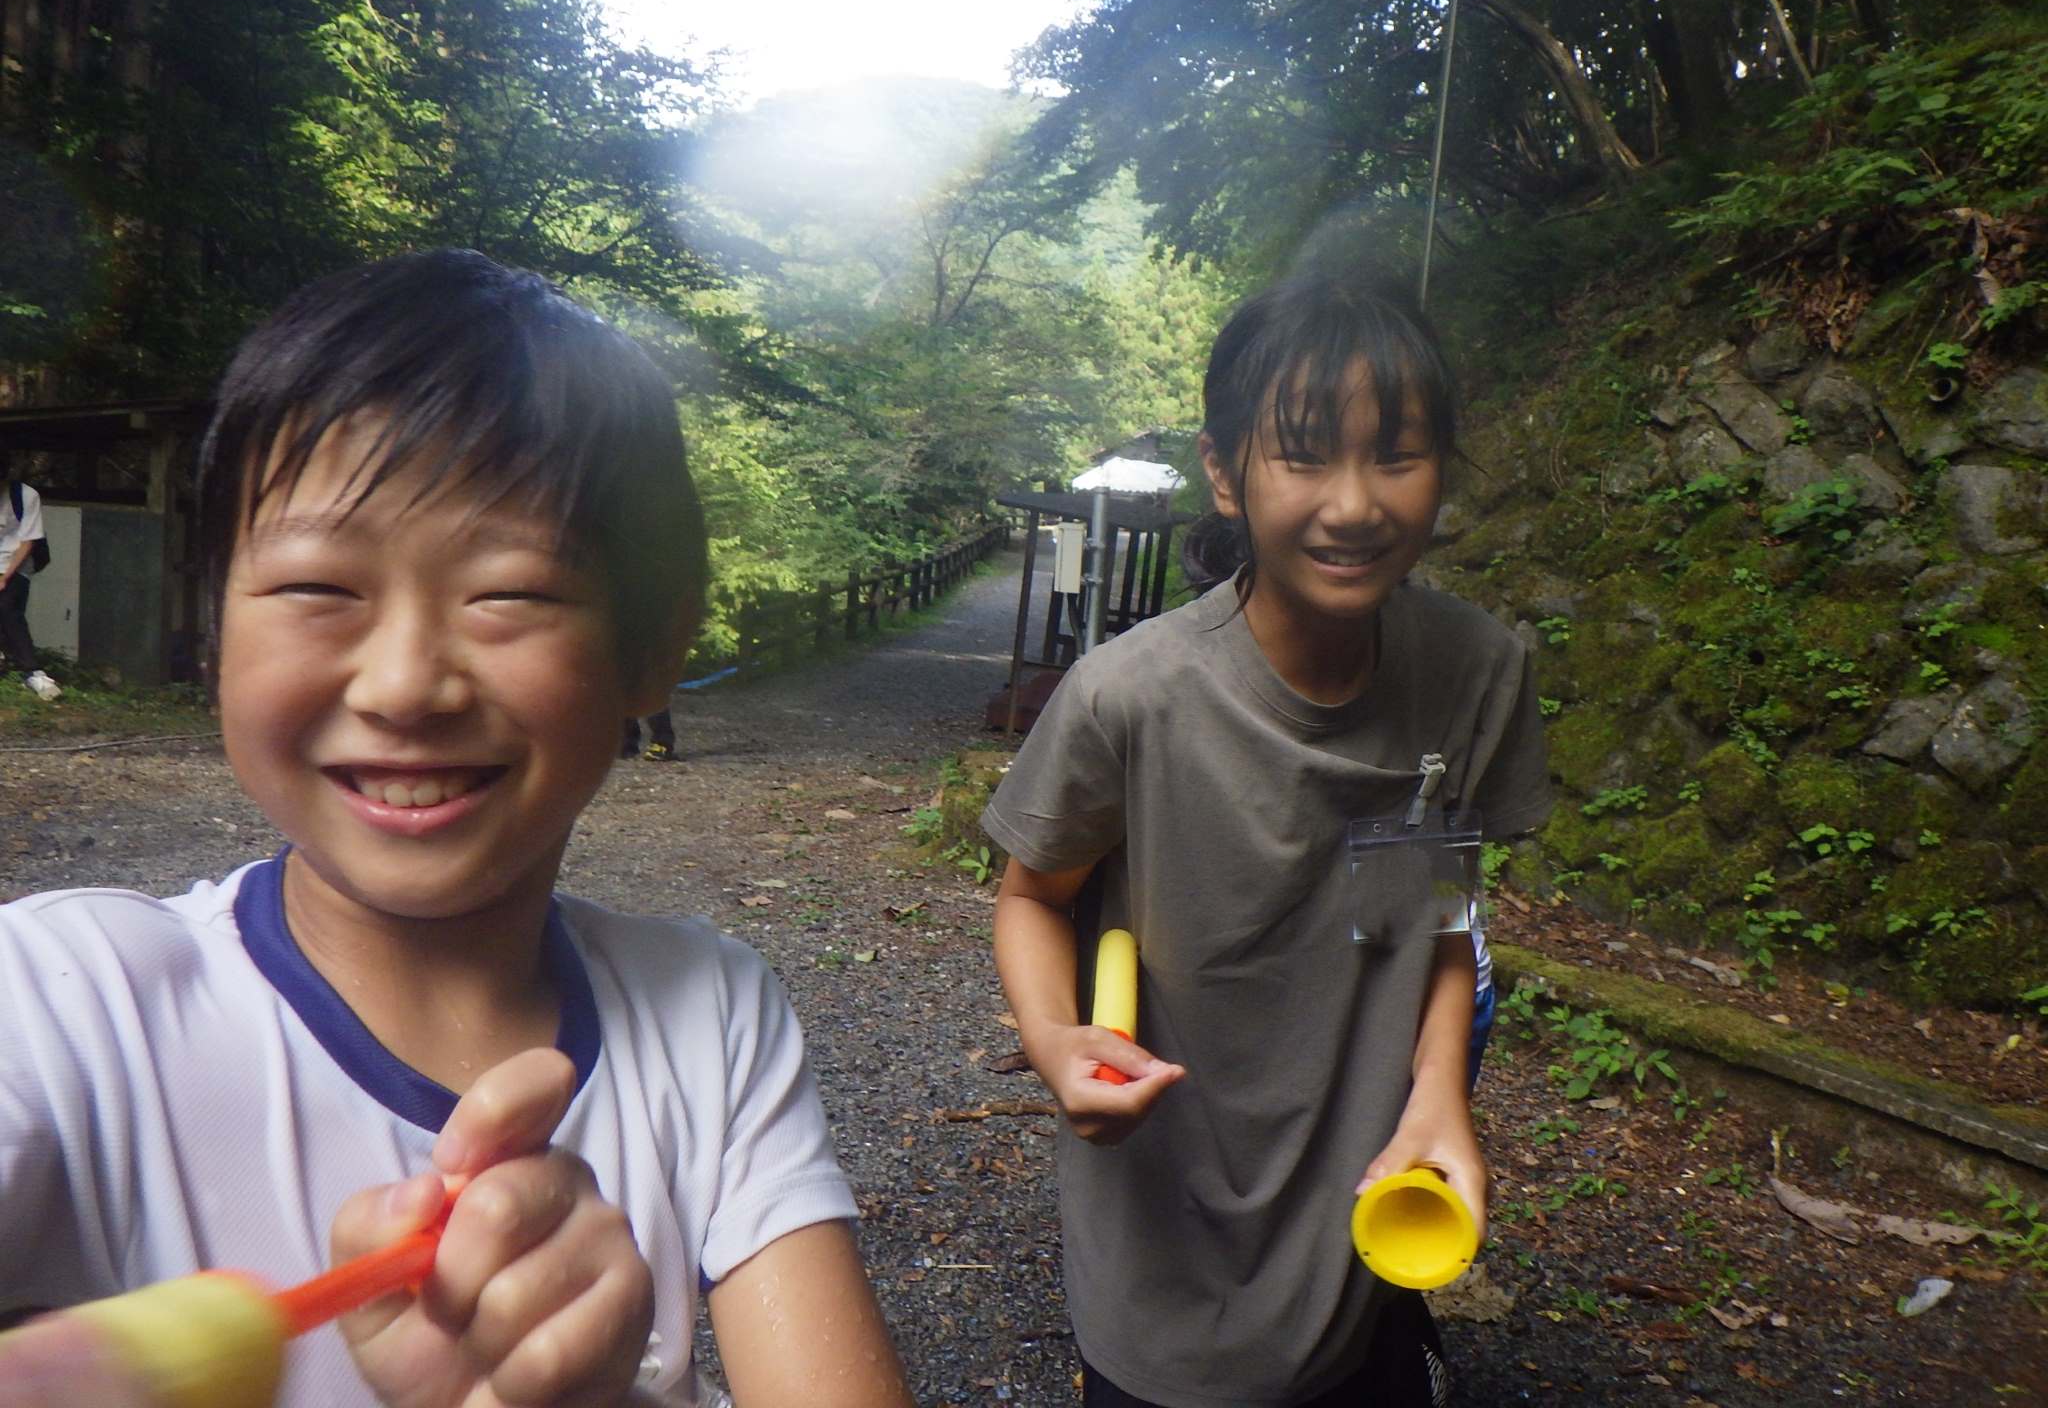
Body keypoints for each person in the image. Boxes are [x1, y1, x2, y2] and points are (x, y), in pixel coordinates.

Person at [0, 250, 914, 1408]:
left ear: (652, 648)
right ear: (216, 620)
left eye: (510, 593)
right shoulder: (64, 1005)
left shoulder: (711, 1012)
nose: (403, 686)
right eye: (318, 588)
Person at [983, 269, 1552, 1408]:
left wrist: (1441, 1093)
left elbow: (1437, 909)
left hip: (1365, 1204)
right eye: (1302, 456)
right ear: (1224, 471)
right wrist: (1052, 1041)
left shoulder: (1475, 671)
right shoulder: (1126, 698)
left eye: (1396, 454)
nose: (1354, 504)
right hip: (1161, 1220)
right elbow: (1033, 895)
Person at [0, 444, 62, 701]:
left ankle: (33, 671)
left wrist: (4, 577)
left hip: (18, 562)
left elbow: (28, 542)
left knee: (7, 608)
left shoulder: (25, 496)